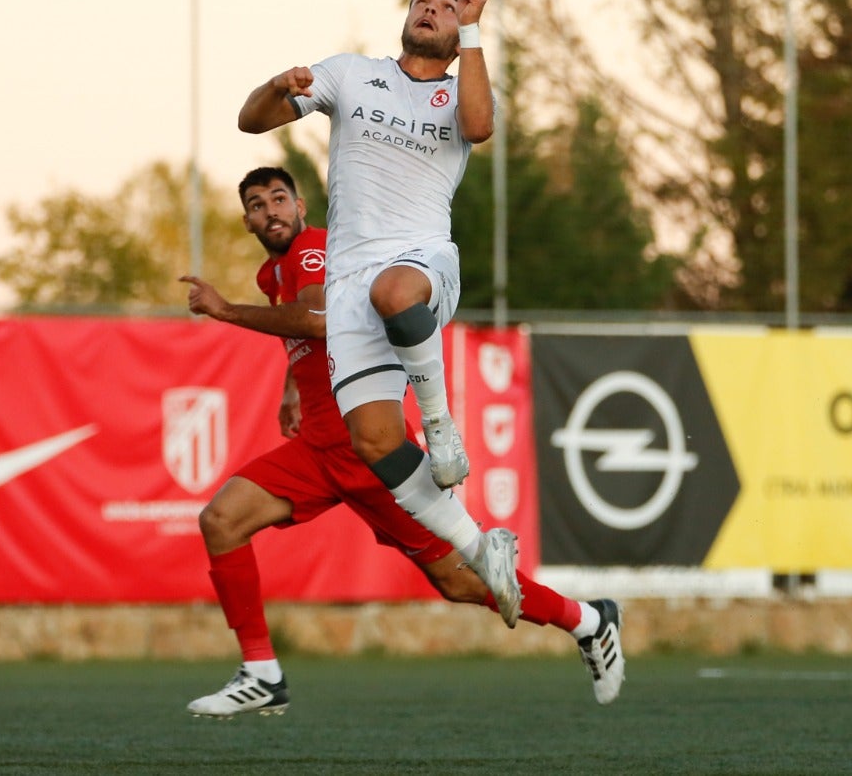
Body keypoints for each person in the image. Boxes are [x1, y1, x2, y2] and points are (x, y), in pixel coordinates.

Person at [180, 166, 625, 717]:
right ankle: (262, 673)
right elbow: (319, 331)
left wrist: (223, 312)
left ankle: (589, 621)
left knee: (462, 583)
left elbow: (317, 318)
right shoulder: (271, 276)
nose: (269, 210)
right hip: (319, 449)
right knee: (221, 521)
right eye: (255, 204)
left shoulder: (311, 250)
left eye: (278, 198)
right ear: (246, 220)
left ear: (301, 208)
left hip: (370, 450)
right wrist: (292, 388)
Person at [236, 0, 528, 629]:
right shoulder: (350, 75)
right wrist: (278, 88)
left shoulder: (462, 87)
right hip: (349, 294)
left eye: (449, 6)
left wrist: (477, 27)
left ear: (461, 35)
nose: (432, 8)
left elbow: (479, 128)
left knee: (392, 288)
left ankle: (441, 422)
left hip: (422, 268)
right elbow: (250, 120)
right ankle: (485, 548)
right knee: (373, 442)